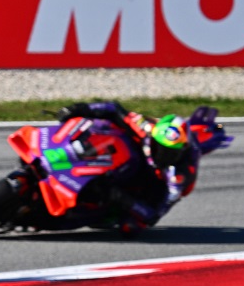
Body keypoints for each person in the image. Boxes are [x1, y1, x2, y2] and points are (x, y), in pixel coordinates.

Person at [54, 100, 200, 234]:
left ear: (182, 151)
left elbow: (154, 215)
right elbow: (114, 108)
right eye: (161, 148)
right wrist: (79, 109)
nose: (163, 155)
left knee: (131, 226)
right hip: (127, 154)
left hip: (151, 182)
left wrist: (119, 197)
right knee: (103, 126)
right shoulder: (146, 127)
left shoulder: (177, 178)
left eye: (171, 153)